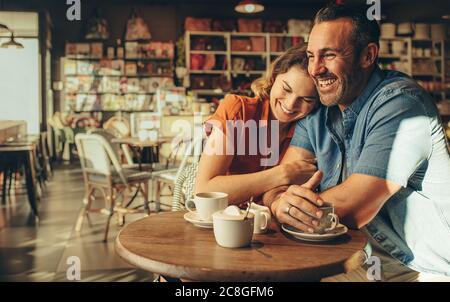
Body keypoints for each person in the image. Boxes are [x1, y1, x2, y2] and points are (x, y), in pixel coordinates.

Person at [263, 3, 450, 280]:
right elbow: (277, 185)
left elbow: (354, 207)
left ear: (368, 55)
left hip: (414, 267)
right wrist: (279, 203)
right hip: (349, 255)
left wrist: (285, 206)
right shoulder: (319, 109)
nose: (315, 69)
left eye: (329, 55)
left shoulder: (401, 105)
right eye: (312, 55)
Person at [195, 44, 319, 205]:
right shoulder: (238, 109)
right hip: (224, 221)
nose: (290, 104)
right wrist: (282, 174)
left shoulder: (308, 130)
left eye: (306, 99)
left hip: (270, 225)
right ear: (274, 77)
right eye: (286, 89)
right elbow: (203, 192)